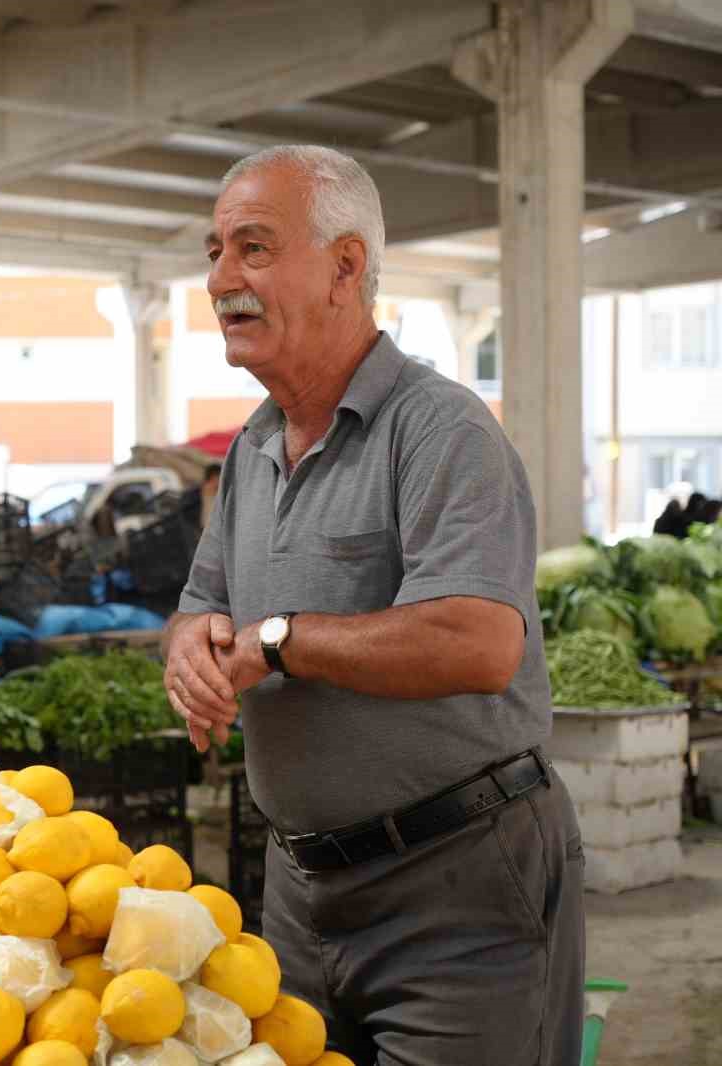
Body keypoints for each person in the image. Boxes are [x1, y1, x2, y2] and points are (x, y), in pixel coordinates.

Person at [163, 145, 582, 1065]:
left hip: (456, 885)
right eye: (214, 252)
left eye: (255, 249)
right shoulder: (252, 450)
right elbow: (203, 604)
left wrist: (281, 642)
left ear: (345, 267)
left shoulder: (441, 431)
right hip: (300, 888)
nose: (222, 278)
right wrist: (192, 647)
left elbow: (477, 642)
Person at [198, 463, 222, 532]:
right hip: (209, 526)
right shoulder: (208, 487)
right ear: (212, 476)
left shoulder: (207, 486)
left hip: (209, 525)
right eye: (218, 476)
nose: (220, 478)